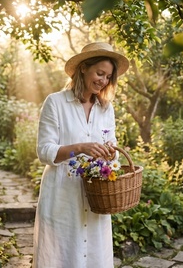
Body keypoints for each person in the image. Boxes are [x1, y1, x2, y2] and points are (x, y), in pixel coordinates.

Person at [33, 42, 129, 268]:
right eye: (99, 73)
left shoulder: (106, 108)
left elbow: (113, 152)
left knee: (93, 255)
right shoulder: (56, 102)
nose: (103, 81)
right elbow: (44, 151)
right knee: (61, 255)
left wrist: (109, 155)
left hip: (95, 195)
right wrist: (81, 148)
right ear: (83, 68)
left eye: (108, 77)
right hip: (62, 195)